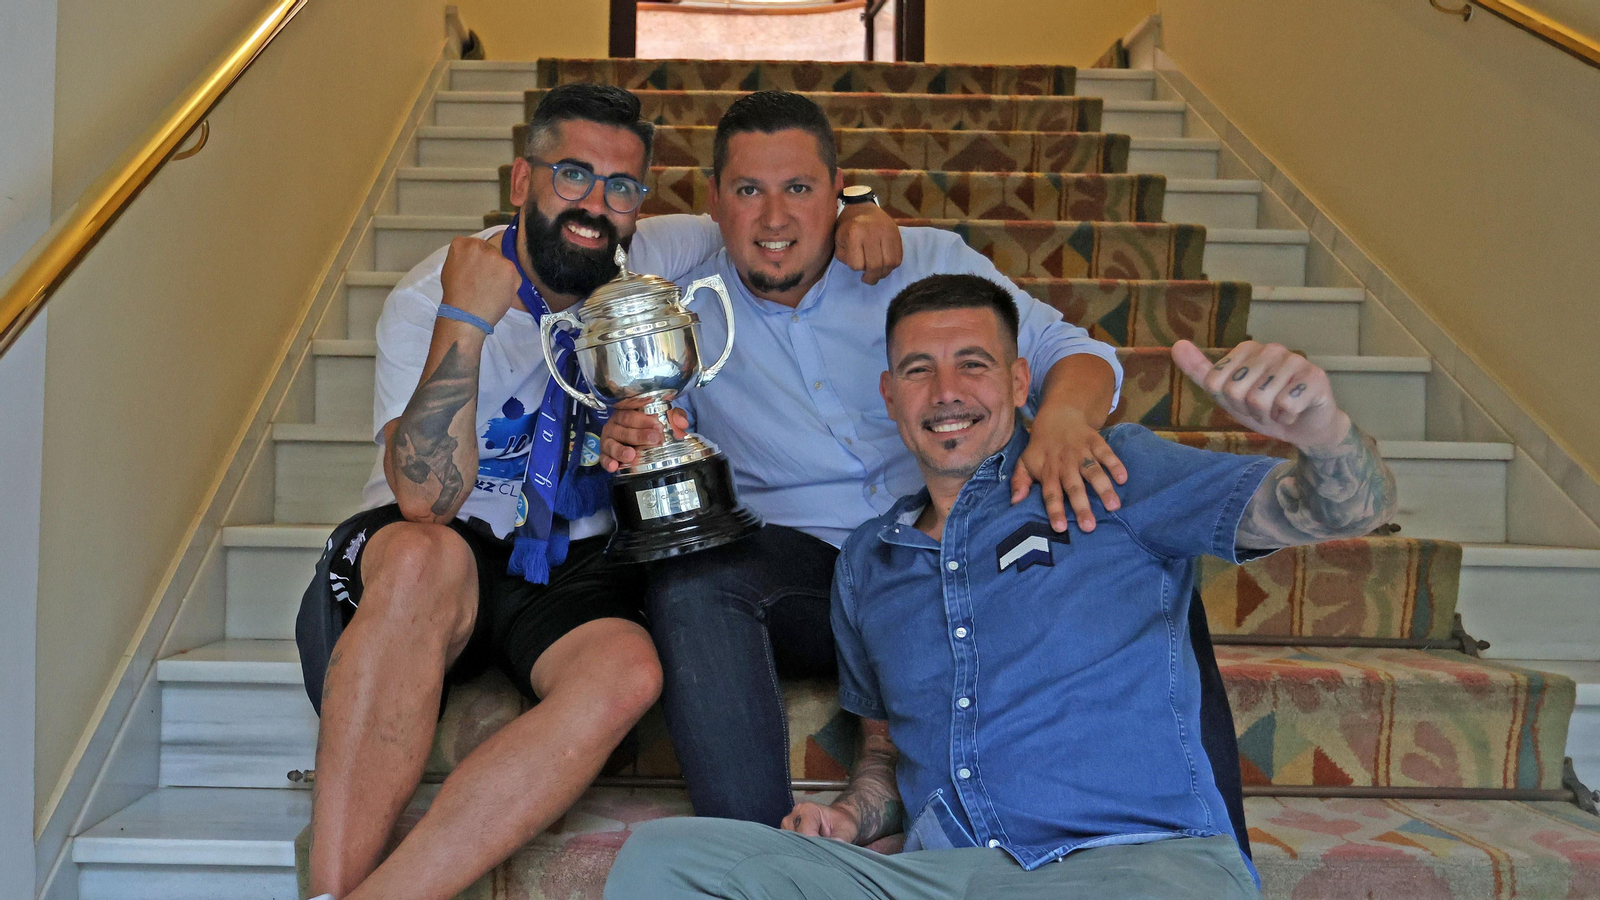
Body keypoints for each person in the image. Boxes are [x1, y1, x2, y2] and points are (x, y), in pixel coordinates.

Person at [293, 83, 904, 900]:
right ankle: (332, 889)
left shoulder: (652, 253)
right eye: (572, 175)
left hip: (576, 564)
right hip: (448, 554)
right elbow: (421, 503)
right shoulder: (427, 294)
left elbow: (767, 212)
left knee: (629, 669)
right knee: (418, 559)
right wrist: (464, 324)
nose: (595, 204)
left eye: (621, 186)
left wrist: (861, 203)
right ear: (521, 181)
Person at [604, 273, 1398, 900]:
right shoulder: (868, 566)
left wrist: (1323, 435)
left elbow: (1325, 511)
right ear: (890, 396)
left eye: (972, 366)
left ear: (1022, 382)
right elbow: (883, 758)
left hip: (1136, 870)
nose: (946, 392)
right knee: (671, 859)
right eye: (919, 370)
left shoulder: (1113, 473)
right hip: (949, 876)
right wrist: (850, 815)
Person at [598, 89, 1137, 831]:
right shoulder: (681, 309)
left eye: (799, 189)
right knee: (692, 579)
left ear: (838, 189)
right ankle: (761, 861)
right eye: (749, 191)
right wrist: (631, 429)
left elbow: (1075, 351)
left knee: (1136, 543)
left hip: (961, 545)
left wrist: (1066, 423)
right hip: (811, 571)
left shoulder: (924, 261)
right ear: (715, 203)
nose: (775, 218)